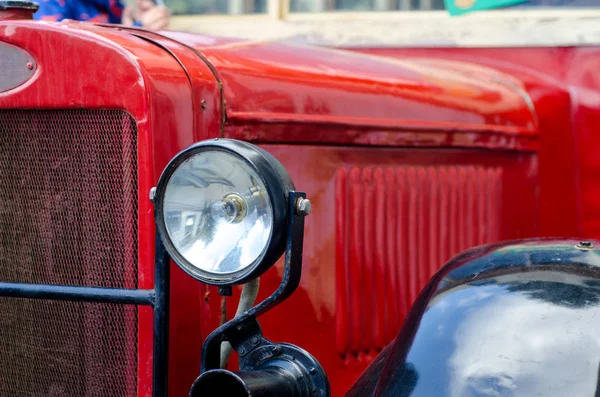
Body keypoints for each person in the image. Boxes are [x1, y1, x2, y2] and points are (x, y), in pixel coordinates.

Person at [34, 0, 170, 30]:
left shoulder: (110, 4)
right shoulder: (49, 4)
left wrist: (138, 16)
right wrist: (139, 27)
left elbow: (122, 21)